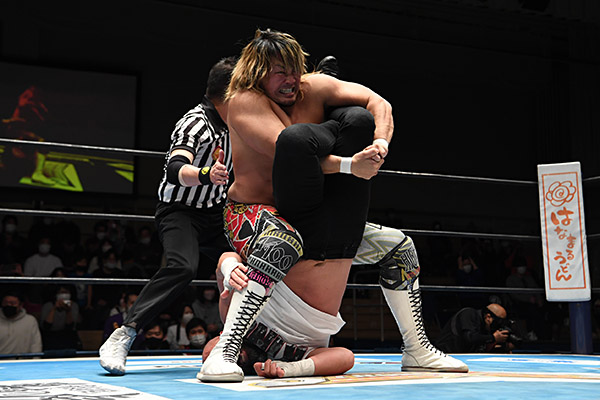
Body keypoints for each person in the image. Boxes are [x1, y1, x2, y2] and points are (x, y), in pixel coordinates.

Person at [200, 29, 467, 382]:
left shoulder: (312, 87)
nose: (291, 80)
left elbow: (379, 103)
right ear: (258, 73)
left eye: (295, 70)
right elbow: (292, 155)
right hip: (253, 210)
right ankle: (226, 352)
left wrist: (380, 144)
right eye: (280, 73)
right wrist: (351, 165)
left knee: (399, 248)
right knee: (281, 240)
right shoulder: (244, 101)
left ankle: (417, 349)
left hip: (310, 210)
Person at [99, 56, 237, 375]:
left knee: (253, 262)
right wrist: (205, 174)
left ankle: (245, 340)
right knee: (183, 266)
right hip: (180, 210)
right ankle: (124, 333)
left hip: (216, 212)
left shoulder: (238, 122)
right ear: (231, 93)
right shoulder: (195, 123)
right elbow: (176, 168)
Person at [202, 252, 354, 378]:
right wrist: (290, 369)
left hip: (289, 250)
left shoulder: (231, 318)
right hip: (336, 255)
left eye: (211, 354)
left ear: (220, 338)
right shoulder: (283, 360)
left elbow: (226, 258)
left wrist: (230, 267)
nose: (236, 359)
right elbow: (345, 357)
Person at [434, 303, 512, 353]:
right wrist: (493, 338)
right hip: (445, 353)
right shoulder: (468, 314)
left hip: (463, 356)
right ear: (488, 317)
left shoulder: (486, 327)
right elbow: (469, 338)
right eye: (498, 322)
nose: (498, 326)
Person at [0, 291, 42, 357]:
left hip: (22, 361)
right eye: (6, 303)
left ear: (20, 305)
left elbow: (36, 344)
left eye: (13, 303)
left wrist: (36, 360)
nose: (9, 305)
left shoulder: (30, 321)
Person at [40, 285, 80, 350]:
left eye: (66, 292)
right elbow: (46, 326)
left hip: (67, 337)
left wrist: (68, 310)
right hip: (51, 337)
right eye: (61, 292)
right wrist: (54, 308)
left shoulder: (74, 305)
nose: (64, 295)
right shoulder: (47, 306)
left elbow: (70, 327)